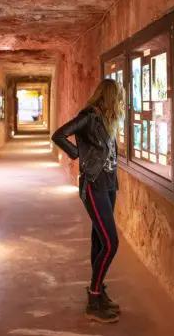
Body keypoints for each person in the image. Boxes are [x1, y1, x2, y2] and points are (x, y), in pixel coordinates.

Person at [52, 79, 124, 323]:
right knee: (111, 243)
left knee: (99, 240)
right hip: (93, 185)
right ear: (110, 97)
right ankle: (94, 298)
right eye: (119, 96)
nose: (122, 101)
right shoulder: (89, 117)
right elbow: (59, 134)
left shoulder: (107, 120)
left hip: (109, 185)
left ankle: (98, 289)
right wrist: (77, 155)